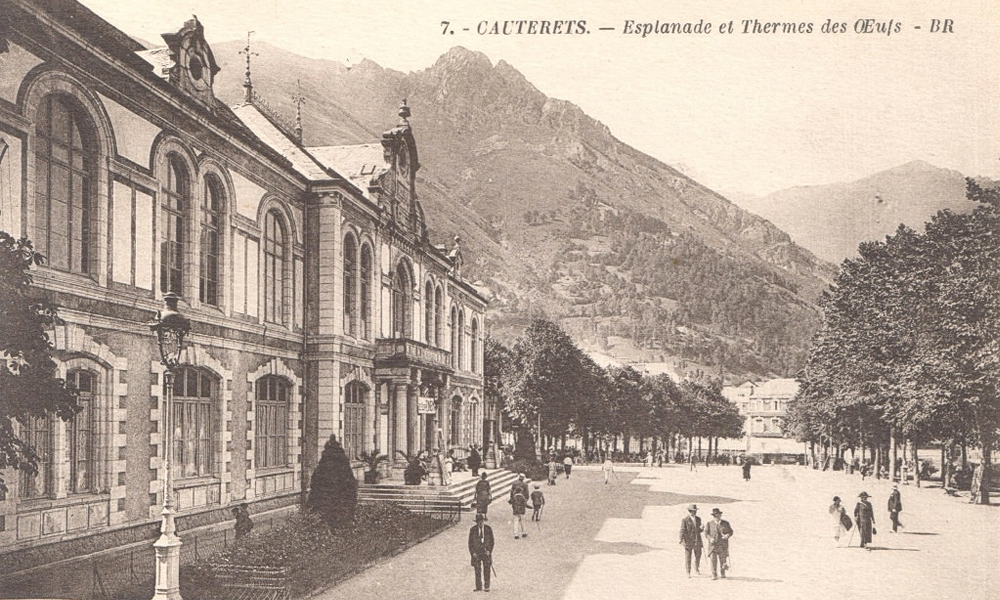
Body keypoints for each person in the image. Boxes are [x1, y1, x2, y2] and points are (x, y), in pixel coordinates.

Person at [704, 508, 734, 580]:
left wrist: (727, 535)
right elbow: (706, 533)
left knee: (723, 560)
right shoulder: (709, 523)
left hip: (722, 545)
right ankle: (714, 574)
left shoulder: (726, 523)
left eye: (718, 516)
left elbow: (731, 532)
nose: (717, 517)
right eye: (715, 516)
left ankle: (723, 573)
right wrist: (710, 538)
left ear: (720, 515)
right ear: (713, 516)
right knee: (713, 560)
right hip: (713, 546)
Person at [468, 512, 494, 592]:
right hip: (477, 553)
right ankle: (478, 586)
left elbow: (492, 542)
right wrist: (473, 553)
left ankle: (487, 586)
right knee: (477, 569)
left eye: (482, 521)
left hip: (486, 553)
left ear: (483, 521)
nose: (480, 523)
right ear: (476, 522)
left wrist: (489, 551)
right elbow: (470, 543)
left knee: (487, 569)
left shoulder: (488, 529)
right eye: (479, 522)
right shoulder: (473, 530)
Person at [679, 504, 703, 577]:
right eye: (692, 511)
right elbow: (682, 530)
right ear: (689, 511)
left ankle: (696, 568)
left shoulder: (698, 519)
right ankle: (688, 572)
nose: (694, 512)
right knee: (688, 557)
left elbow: (698, 530)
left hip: (697, 540)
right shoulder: (685, 520)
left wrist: (702, 528)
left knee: (698, 555)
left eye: (695, 511)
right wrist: (681, 539)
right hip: (688, 541)